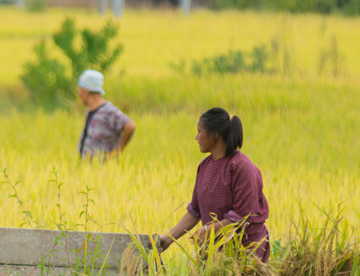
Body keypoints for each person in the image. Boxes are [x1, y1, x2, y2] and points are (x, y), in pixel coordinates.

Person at [156, 108, 270, 262]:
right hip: (214, 256)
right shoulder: (204, 166)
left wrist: (208, 230)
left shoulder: (241, 167)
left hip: (245, 256)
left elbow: (243, 217)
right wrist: (168, 239)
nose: (196, 137)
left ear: (215, 135)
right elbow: (195, 211)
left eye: (199, 131)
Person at [76, 69, 136, 160]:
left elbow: (130, 126)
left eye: (80, 90)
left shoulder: (108, 111)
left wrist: (118, 151)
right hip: (85, 168)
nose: (79, 93)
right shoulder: (90, 111)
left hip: (102, 168)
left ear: (87, 91)